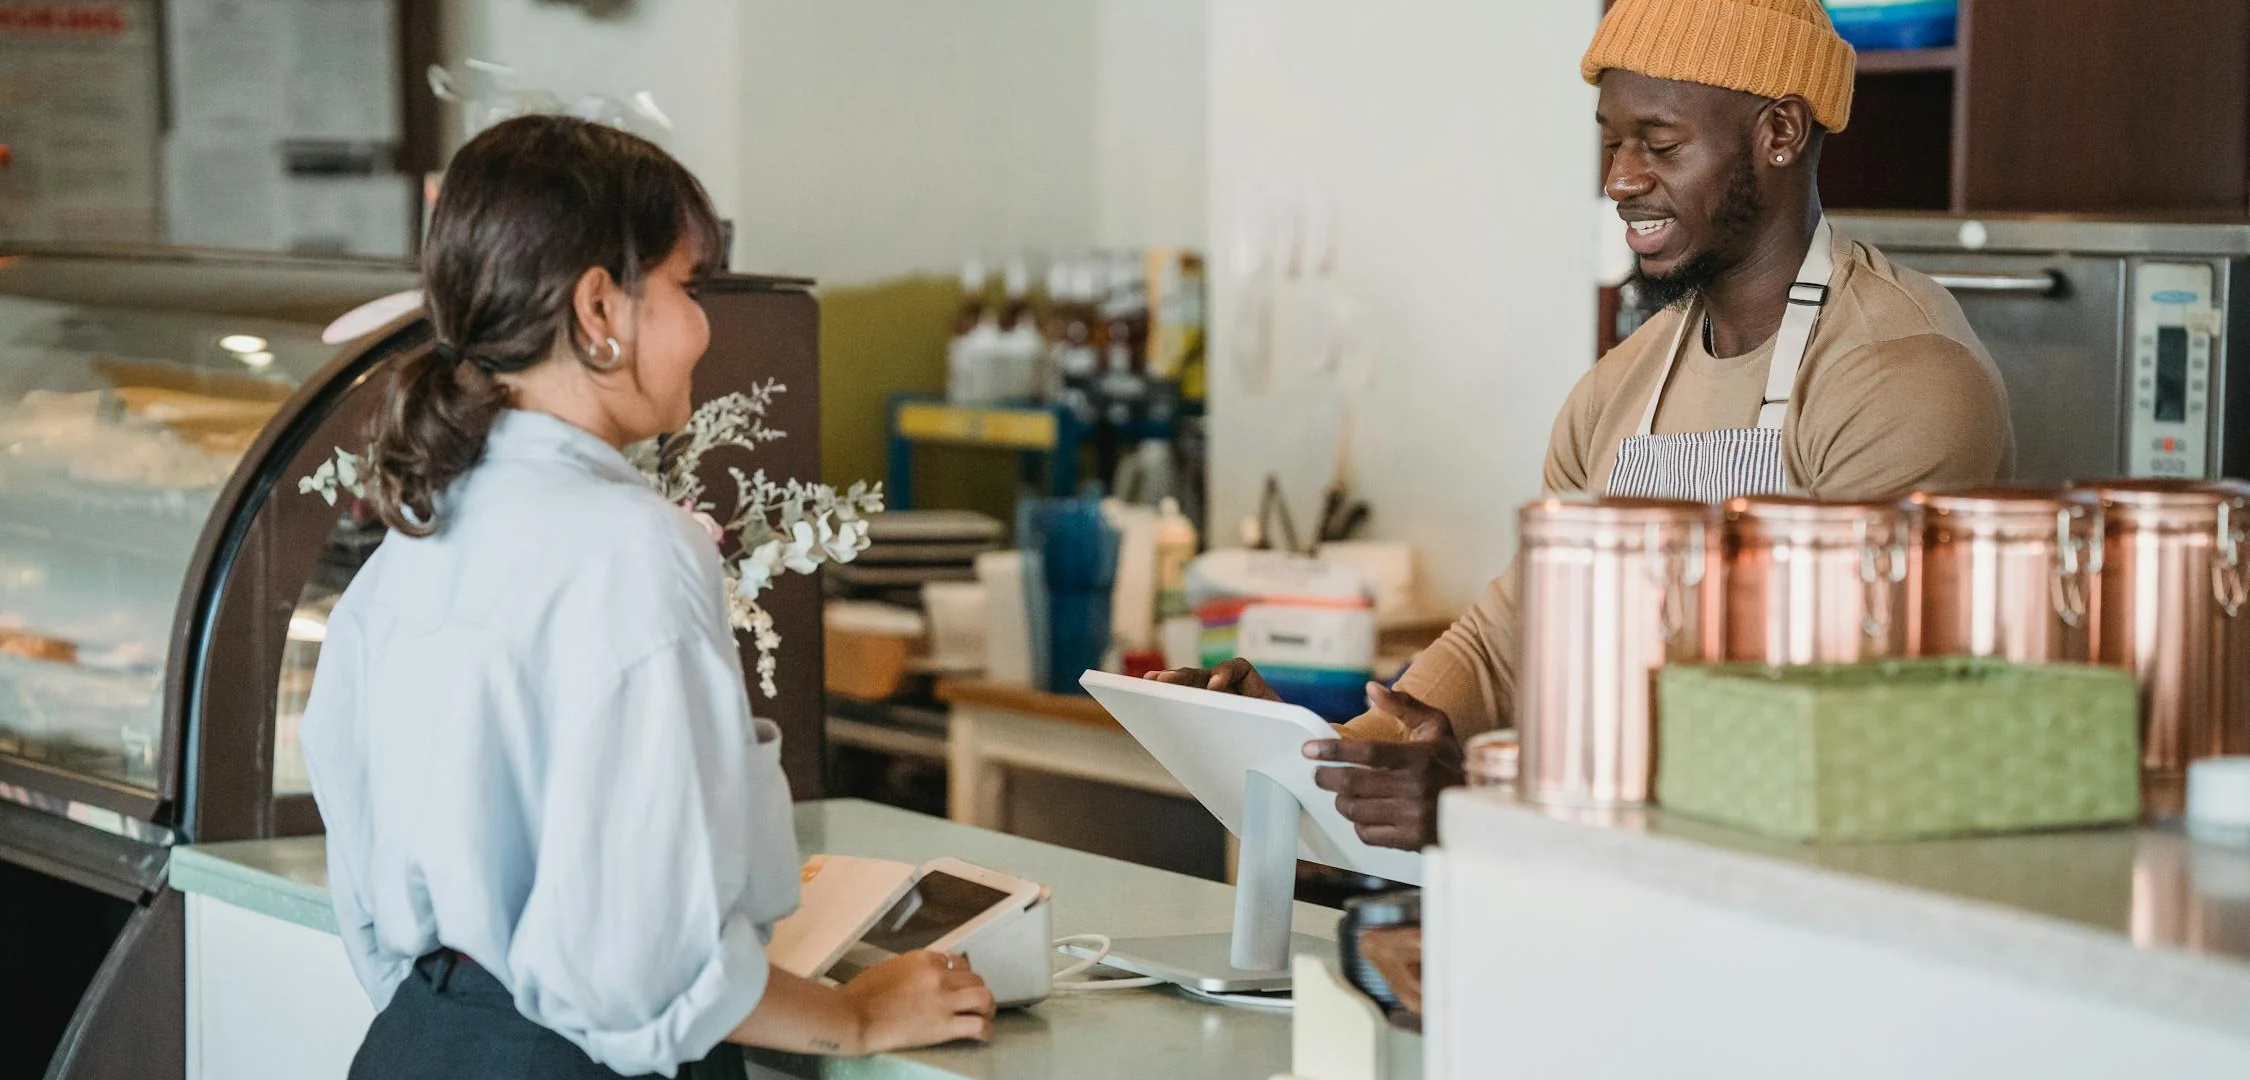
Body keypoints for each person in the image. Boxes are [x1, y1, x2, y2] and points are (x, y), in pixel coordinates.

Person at [1154, 0, 2014, 852]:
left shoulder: (1902, 380)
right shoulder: (1620, 389)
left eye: (1661, 143)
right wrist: (1322, 754)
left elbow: (1835, 728)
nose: (1620, 179)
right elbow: (1510, 641)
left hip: (1821, 908)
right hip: (1628, 889)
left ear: (1781, 132)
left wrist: (1493, 800)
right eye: (1613, 141)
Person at [301, 115, 995, 1079]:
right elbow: (634, 967)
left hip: (420, 1043)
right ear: (598, 310)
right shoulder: (629, 546)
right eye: (686, 287)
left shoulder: (422, 529)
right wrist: (858, 1019)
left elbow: (363, 863)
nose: (705, 324)